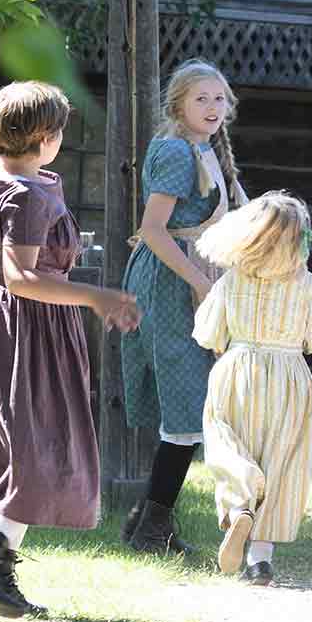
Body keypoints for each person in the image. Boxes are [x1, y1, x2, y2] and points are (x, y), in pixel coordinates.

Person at [0, 81, 142, 617]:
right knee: (44, 444)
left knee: (26, 444)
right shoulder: (28, 194)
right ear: (46, 138)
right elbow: (22, 277)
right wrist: (95, 295)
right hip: (24, 326)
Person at [118, 59, 249, 557]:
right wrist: (198, 281)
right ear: (178, 104)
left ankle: (149, 518)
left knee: (196, 403)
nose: (212, 107)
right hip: (170, 285)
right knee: (188, 402)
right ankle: (152, 525)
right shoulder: (176, 151)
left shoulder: (204, 148)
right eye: (201, 99)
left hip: (191, 277)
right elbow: (153, 230)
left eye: (219, 98)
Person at [191, 191, 312, 586]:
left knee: (226, 441)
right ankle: (260, 559)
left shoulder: (232, 280)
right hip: (288, 377)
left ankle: (241, 499)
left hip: (236, 369)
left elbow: (208, 332)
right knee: (285, 462)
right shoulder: (306, 284)